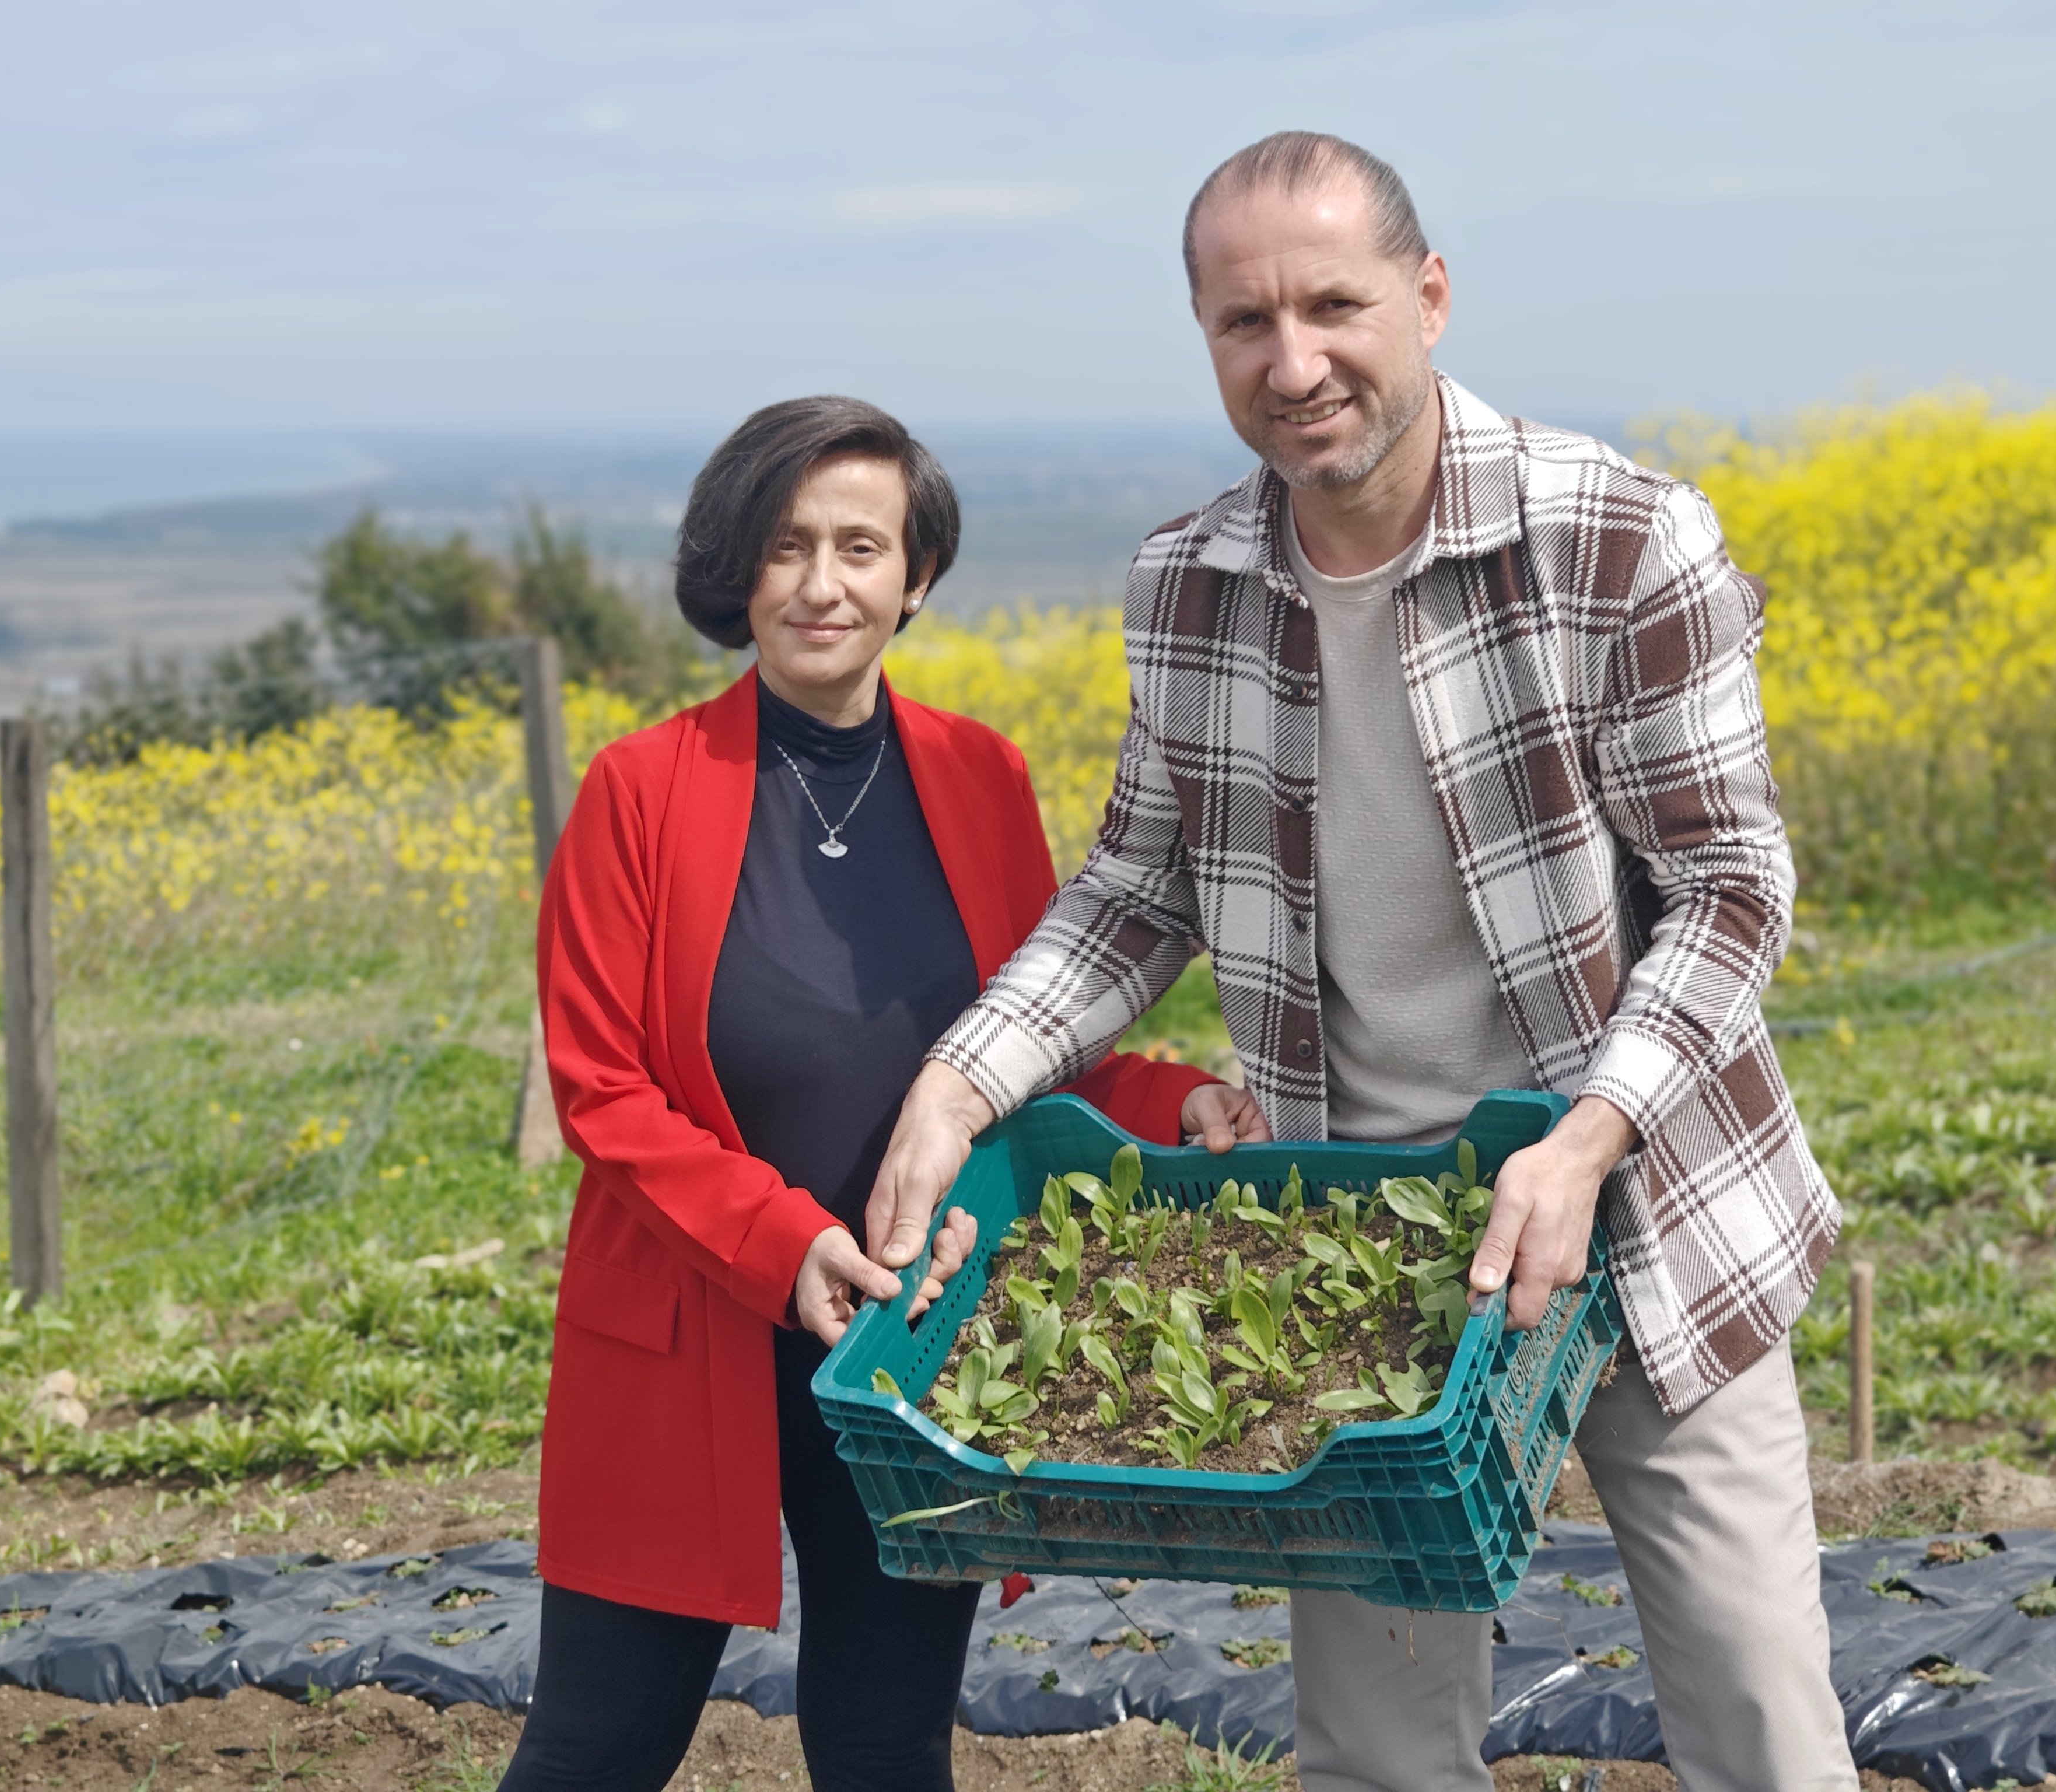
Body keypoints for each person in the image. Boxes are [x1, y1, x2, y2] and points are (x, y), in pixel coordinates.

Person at [868, 135, 1857, 1792]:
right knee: (1384, 1753)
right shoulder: (1189, 585)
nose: (1294, 361)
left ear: (1432, 294)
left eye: (1333, 304)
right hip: (1379, 1250)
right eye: (1244, 321)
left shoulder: (1616, 540)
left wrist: (1584, 1137)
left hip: (1652, 1205)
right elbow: (1136, 891)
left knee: (1759, 1714)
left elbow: (1732, 886)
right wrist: (959, 1081)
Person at [510, 395, 1265, 1792]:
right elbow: (602, 1091)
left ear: (914, 577)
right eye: (785, 545)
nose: (820, 582)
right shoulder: (638, 791)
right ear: (737, 570)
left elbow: (1033, 1044)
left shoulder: (978, 777)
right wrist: (780, 1241)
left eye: (860, 546)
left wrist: (1170, 1106)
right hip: (692, 1332)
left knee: (885, 1741)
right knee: (600, 1744)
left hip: (916, 1338)